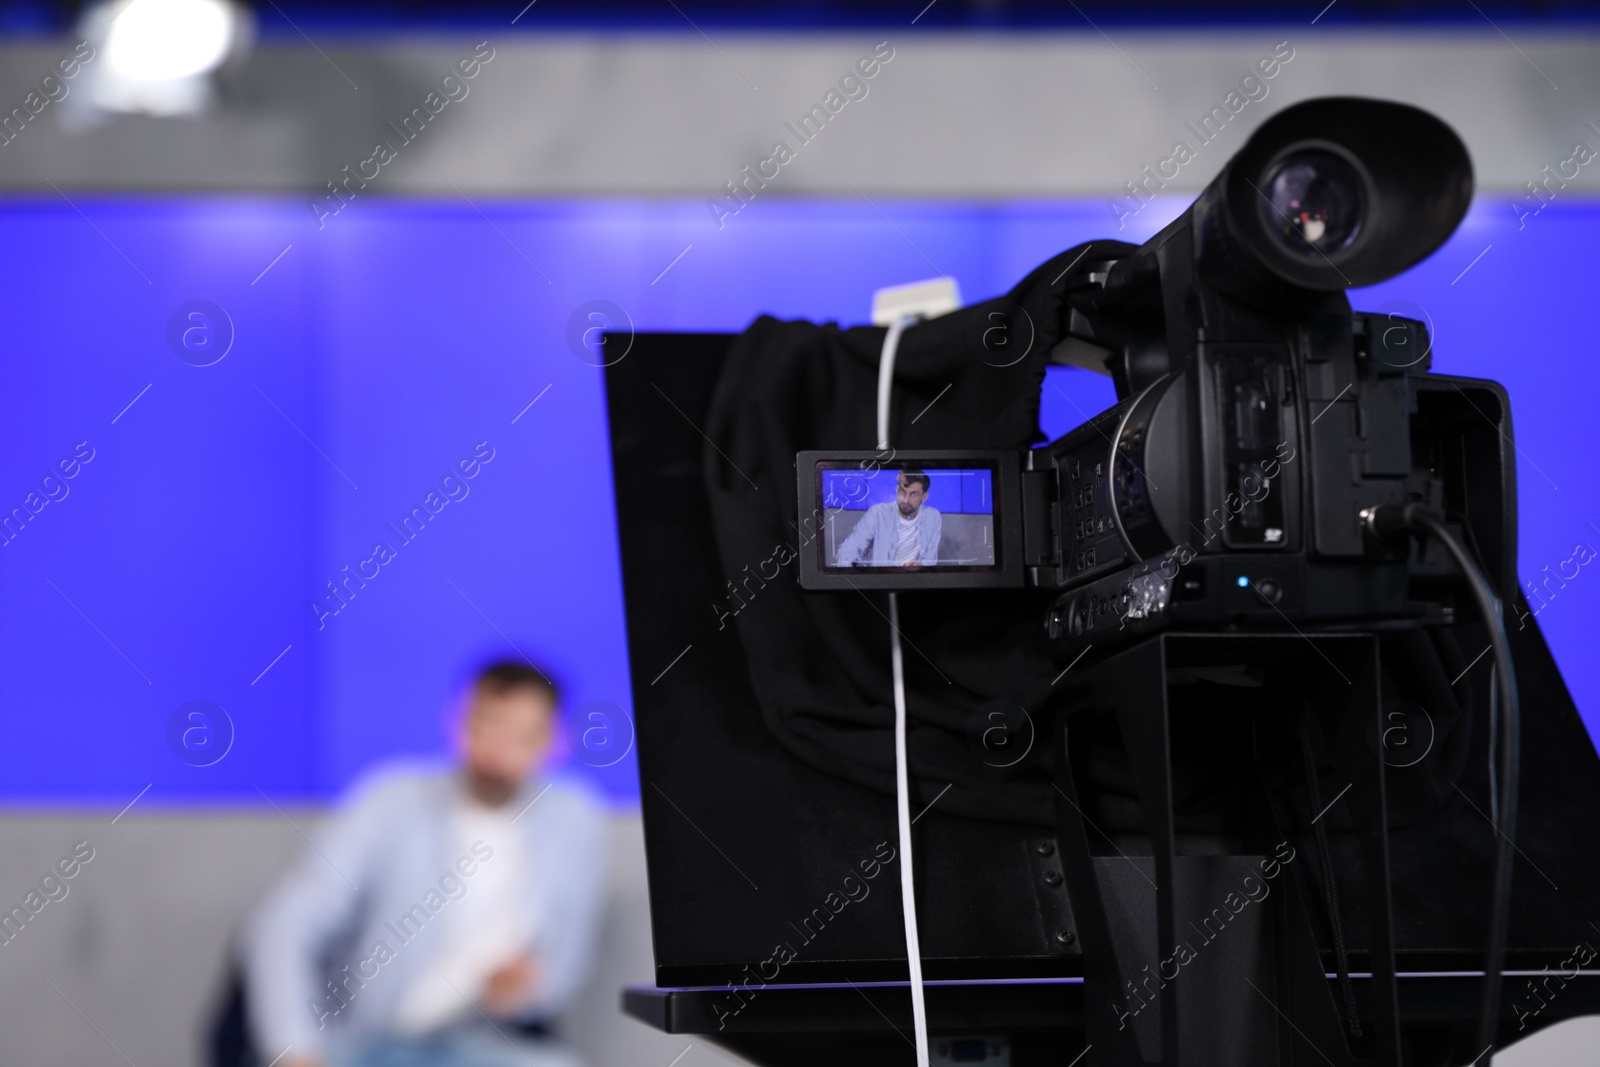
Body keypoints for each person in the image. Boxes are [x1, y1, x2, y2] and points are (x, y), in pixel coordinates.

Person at [243, 661, 608, 1067]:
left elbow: (565, 963)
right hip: (370, 1041)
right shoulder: (391, 801)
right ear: (458, 720)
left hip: (482, 1040)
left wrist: (526, 988)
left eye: (521, 735)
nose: (498, 750)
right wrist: (294, 1048)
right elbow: (288, 924)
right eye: (486, 725)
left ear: (552, 741)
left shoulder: (573, 818)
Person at [834, 468, 943, 567]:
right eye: (902, 491)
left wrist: (920, 565)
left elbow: (930, 559)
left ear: (923, 497)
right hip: (880, 581)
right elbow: (848, 549)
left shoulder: (933, 517)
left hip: (915, 581)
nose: (905, 499)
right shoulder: (877, 513)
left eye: (913, 494)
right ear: (897, 490)